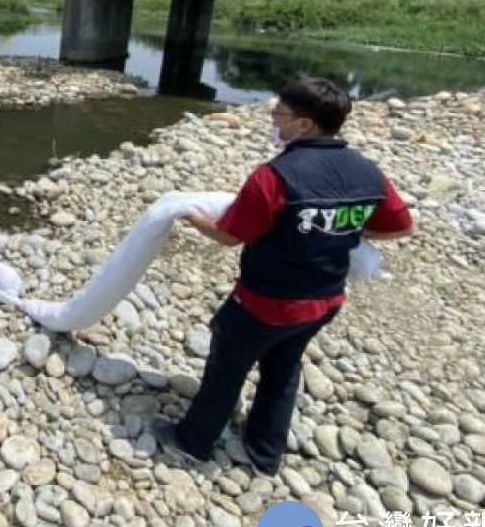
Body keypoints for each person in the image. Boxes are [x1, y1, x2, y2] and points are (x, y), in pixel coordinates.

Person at [153, 77, 413, 476]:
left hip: (264, 301)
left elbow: (229, 235)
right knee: (283, 369)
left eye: (279, 115)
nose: (274, 121)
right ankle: (265, 452)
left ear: (305, 125)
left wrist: (189, 216)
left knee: (227, 368)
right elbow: (399, 226)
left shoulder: (275, 176)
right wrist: (342, 228)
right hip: (324, 301)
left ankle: (193, 441)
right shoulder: (367, 172)